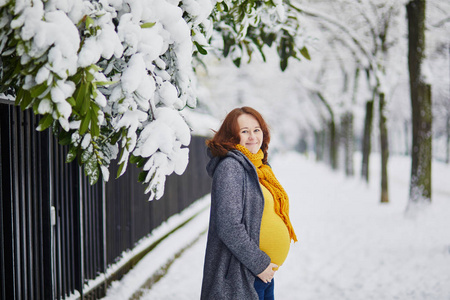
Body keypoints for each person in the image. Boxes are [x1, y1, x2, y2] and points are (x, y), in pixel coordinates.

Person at [200, 107, 297, 300]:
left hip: (260, 273)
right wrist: (260, 265)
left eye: (256, 130)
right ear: (231, 136)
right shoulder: (231, 167)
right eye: (244, 131)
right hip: (243, 274)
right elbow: (229, 226)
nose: (252, 136)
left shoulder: (258, 167)